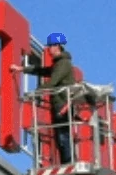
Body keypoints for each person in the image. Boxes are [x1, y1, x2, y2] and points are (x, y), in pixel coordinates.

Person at [11, 33, 77, 164]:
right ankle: (67, 162)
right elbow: (41, 70)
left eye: (50, 46)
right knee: (60, 136)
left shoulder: (63, 64)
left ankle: (69, 162)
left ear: (57, 46)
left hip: (62, 105)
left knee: (63, 136)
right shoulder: (59, 64)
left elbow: (52, 81)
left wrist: (36, 92)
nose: (49, 49)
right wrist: (22, 69)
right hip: (59, 104)